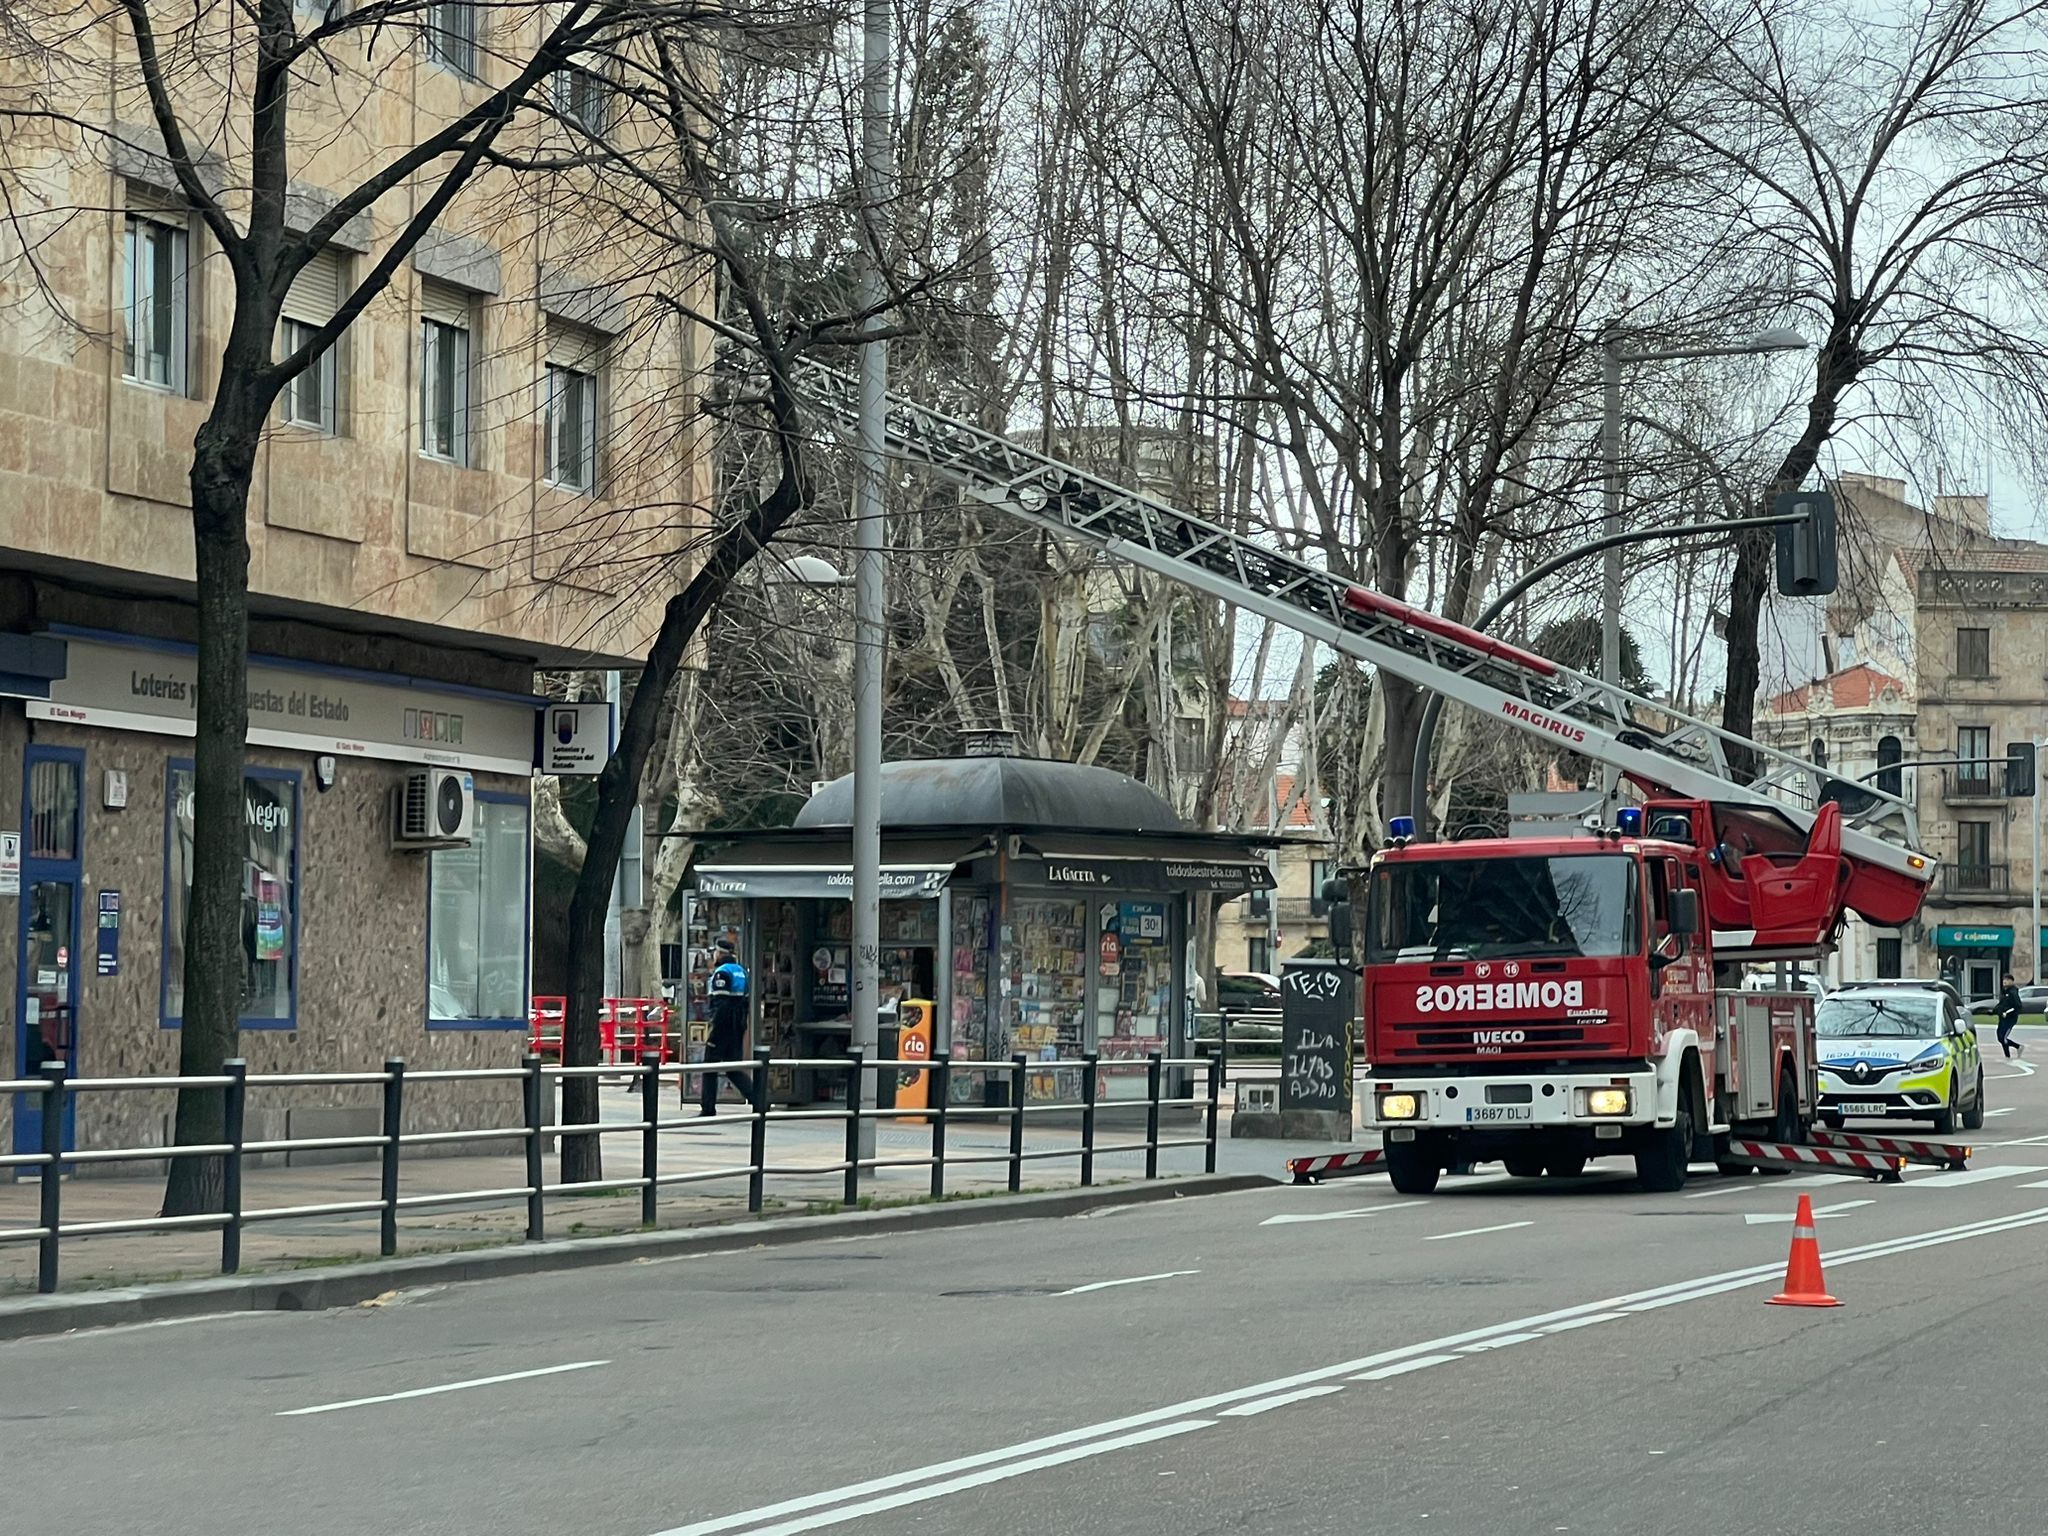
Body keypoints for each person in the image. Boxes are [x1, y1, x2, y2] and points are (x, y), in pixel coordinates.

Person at [696, 938, 755, 1116]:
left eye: (715, 952)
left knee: (709, 1066)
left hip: (723, 1026)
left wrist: (715, 1032)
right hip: (738, 1025)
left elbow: (722, 1005)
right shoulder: (742, 972)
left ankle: (708, 1108)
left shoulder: (722, 973)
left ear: (720, 953)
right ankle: (759, 1100)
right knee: (733, 1068)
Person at [1996, 970, 2026, 1059]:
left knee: (2003, 1037)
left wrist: (2008, 1012)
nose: (2005, 981)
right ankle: (2018, 1047)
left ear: (2012, 981)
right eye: (2004, 980)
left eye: (2007, 980)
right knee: (2000, 1037)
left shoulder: (2013, 992)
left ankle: (2007, 1056)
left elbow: (2018, 1006)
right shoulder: (2004, 992)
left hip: (2010, 1019)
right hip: (2002, 1018)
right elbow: (2001, 1004)